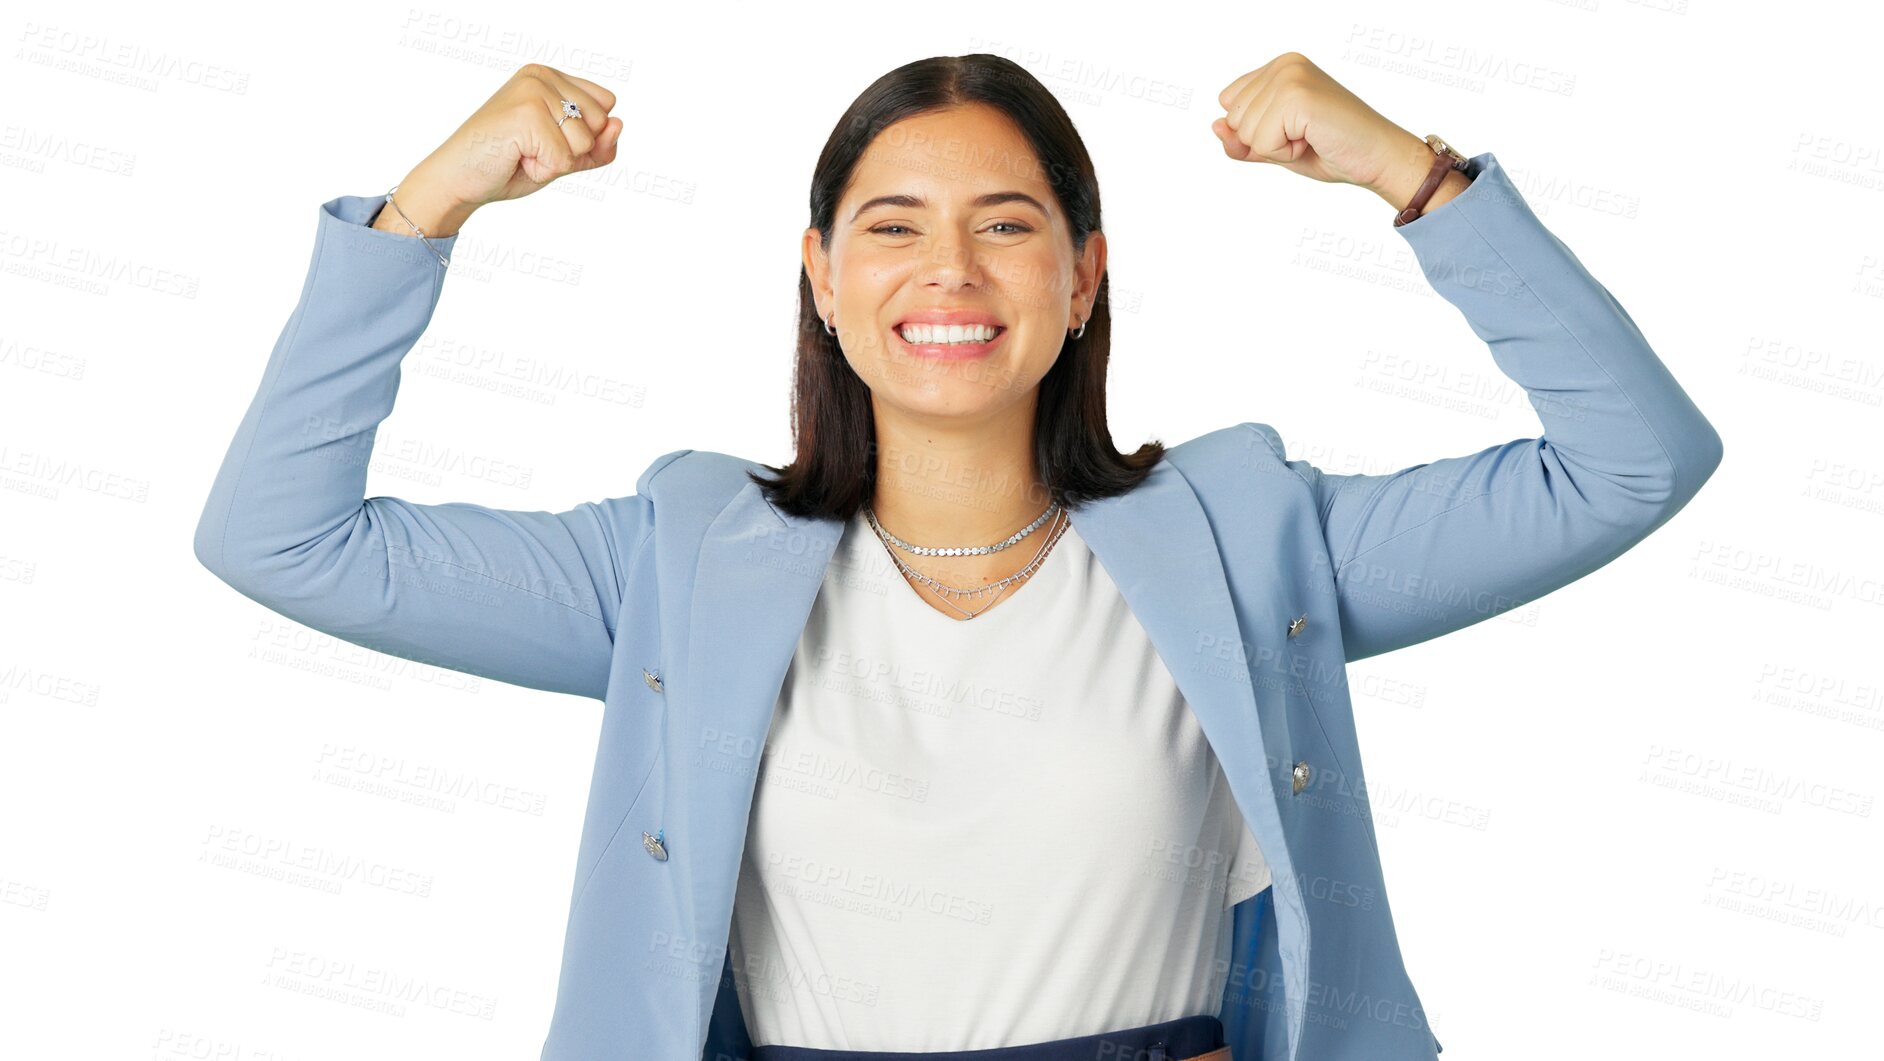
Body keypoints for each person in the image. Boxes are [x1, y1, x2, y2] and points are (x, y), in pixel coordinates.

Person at [194, 52, 1722, 1061]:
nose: (949, 272)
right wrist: (433, 201)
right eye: (891, 227)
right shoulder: (675, 556)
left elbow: (1631, 461)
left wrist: (1410, 171)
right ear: (822, 278)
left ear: (1082, 276)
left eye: (1006, 225)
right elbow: (282, 533)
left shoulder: (1250, 536)